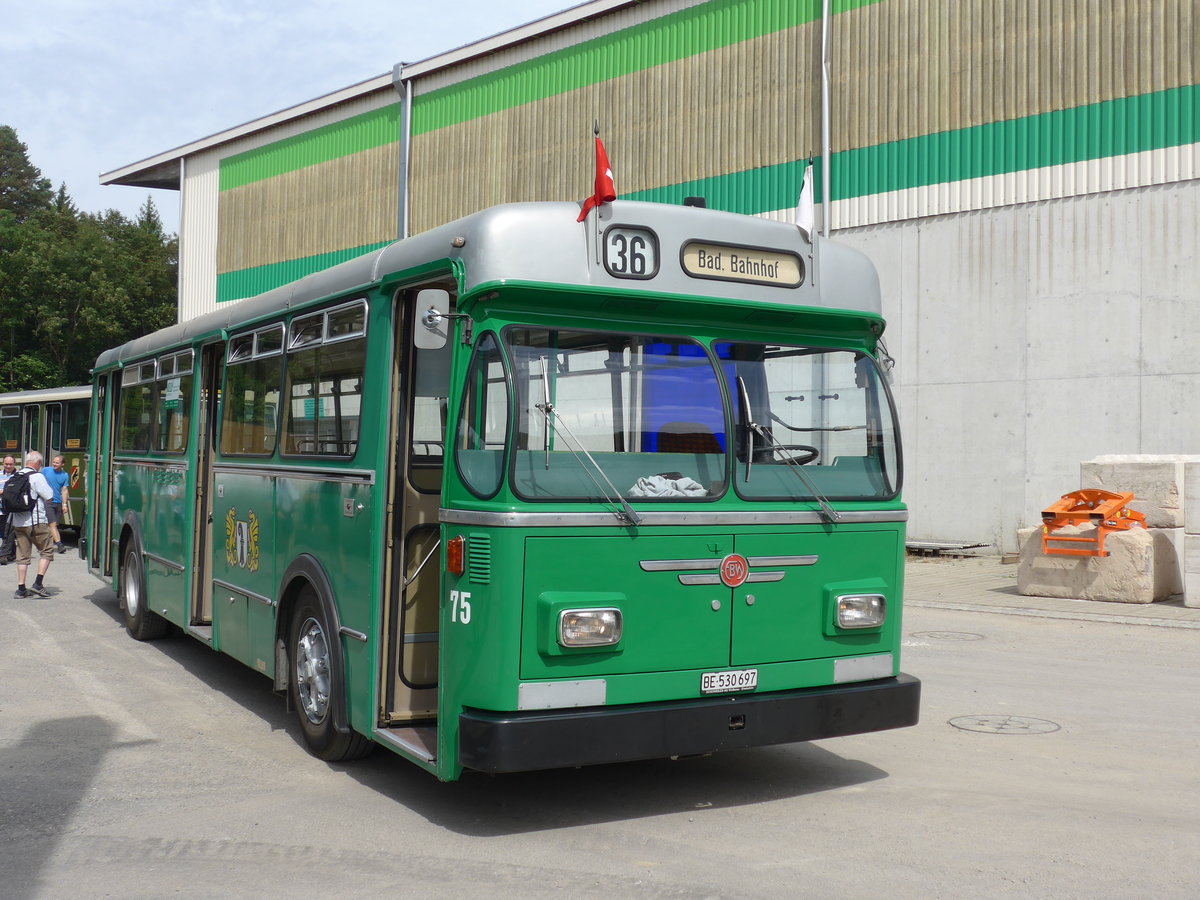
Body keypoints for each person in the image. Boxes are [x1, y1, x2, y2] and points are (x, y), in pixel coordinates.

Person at [10, 450, 55, 598]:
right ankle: (38, 584)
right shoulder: (37, 476)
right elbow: (49, 496)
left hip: (18, 522)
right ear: (38, 463)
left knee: (22, 556)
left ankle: (21, 589)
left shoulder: (16, 475)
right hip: (36, 522)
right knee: (47, 551)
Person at [43, 455, 71, 553]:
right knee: (52, 524)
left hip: (58, 502)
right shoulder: (46, 470)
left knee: (54, 526)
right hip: (48, 501)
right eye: (54, 462)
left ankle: (47, 546)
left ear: (62, 464)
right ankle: (59, 544)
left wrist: (64, 504)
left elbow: (64, 490)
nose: (54, 464)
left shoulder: (65, 475)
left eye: (57, 463)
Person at [0, 456, 15, 564]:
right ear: (3, 464)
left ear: (14, 464)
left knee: (7, 532)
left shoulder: (17, 476)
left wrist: (3, 491)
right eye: (6, 464)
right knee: (5, 531)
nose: (8, 466)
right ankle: (13, 553)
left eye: (10, 464)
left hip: (10, 509)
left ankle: (3, 555)